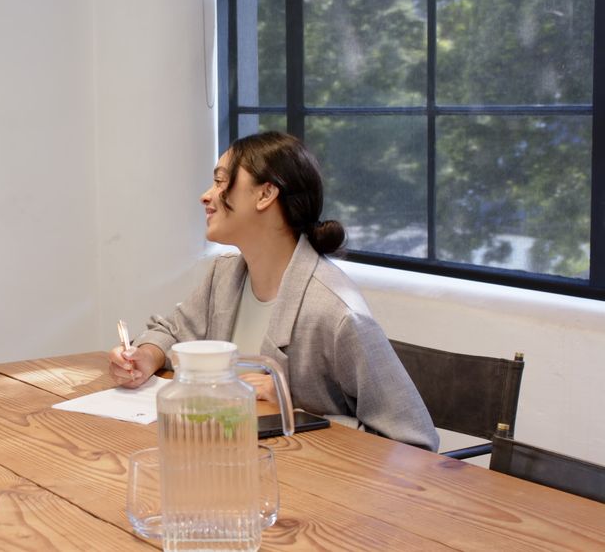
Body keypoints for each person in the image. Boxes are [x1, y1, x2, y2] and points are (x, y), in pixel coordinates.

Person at [108, 131, 439, 451]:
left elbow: (414, 442)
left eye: (221, 182)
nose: (206, 196)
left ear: (265, 194)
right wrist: (144, 357)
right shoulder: (224, 274)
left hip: (306, 477)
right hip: (230, 460)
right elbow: (172, 331)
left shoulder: (334, 310)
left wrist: (292, 408)